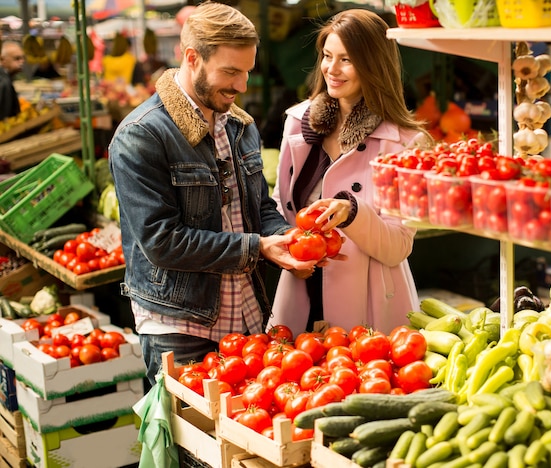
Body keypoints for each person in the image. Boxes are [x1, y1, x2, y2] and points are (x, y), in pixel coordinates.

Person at [108, 1, 318, 386]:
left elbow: (258, 206)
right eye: (231, 72)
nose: (242, 86)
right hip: (181, 326)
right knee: (192, 444)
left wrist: (284, 236)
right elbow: (162, 242)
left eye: (247, 72)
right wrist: (257, 248)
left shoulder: (240, 126)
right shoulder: (142, 135)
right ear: (192, 58)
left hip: (249, 314)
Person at [270, 9, 433, 336]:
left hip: (367, 308)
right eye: (327, 56)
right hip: (299, 296)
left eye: (346, 60)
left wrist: (353, 213)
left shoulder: (405, 144)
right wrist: (287, 250)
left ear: (373, 65)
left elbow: (398, 246)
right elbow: (280, 207)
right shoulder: (296, 124)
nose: (331, 69)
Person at [0, 41, 24, 120]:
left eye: (22, 58)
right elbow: (5, 118)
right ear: (2, 59)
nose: (22, 62)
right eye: (17, 58)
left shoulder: (6, 78)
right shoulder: (4, 82)